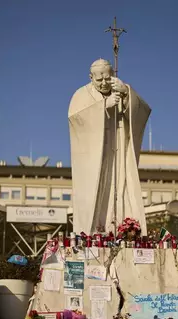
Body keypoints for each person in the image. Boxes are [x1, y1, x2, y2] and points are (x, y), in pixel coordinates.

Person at [68, 59, 151, 234]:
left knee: (121, 185)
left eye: (108, 78)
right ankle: (94, 231)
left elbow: (143, 111)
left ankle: (124, 228)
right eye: (99, 80)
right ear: (91, 77)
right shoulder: (80, 95)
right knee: (98, 190)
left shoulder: (120, 90)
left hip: (119, 151)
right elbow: (76, 120)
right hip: (94, 155)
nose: (104, 83)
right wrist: (103, 106)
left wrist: (127, 94)